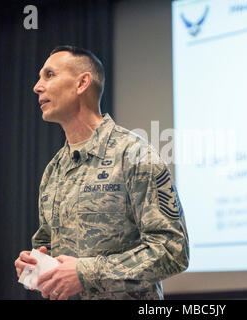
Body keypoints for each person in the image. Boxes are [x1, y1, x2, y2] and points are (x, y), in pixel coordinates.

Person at [14, 46, 189, 300]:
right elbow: (48, 245)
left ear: (82, 83)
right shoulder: (54, 170)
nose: (37, 87)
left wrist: (85, 273)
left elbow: (174, 251)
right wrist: (35, 264)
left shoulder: (134, 155)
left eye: (49, 75)